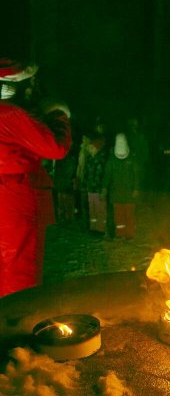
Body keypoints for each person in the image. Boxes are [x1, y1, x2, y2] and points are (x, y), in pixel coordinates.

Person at [0, 58, 71, 297]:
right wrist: (58, 114)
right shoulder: (9, 114)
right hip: (11, 196)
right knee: (18, 266)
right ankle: (18, 314)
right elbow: (55, 148)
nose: (32, 91)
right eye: (29, 84)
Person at [102, 133, 138, 239]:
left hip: (128, 192)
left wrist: (136, 188)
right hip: (116, 192)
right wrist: (104, 188)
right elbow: (107, 175)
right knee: (118, 215)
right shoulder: (112, 160)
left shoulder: (131, 159)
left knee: (129, 214)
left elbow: (136, 175)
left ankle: (130, 234)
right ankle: (120, 234)